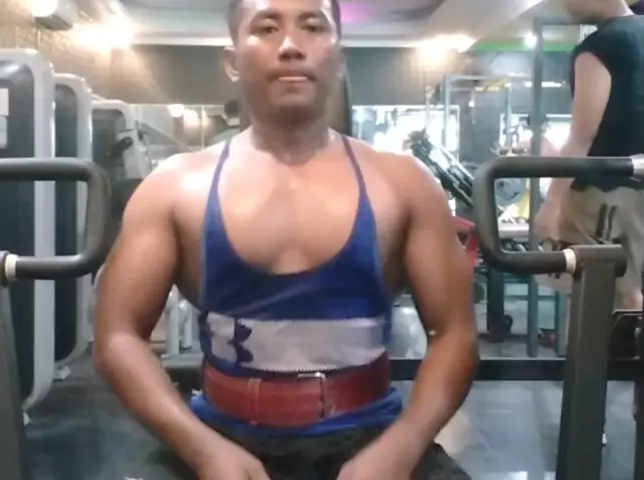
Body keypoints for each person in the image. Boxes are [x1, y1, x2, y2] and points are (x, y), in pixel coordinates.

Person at [92, 0, 478, 479]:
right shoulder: (174, 186)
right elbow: (118, 335)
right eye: (267, 28)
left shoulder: (404, 183)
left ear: (339, 56)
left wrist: (403, 445)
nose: (291, 45)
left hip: (371, 436)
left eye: (312, 26)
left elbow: (455, 334)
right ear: (232, 61)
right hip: (219, 436)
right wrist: (202, 449)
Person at [535, 0, 644, 310]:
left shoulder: (599, 48)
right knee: (631, 294)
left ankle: (598, 346)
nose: (565, 5)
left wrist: (552, 203)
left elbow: (581, 136)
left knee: (592, 294)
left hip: (601, 192)